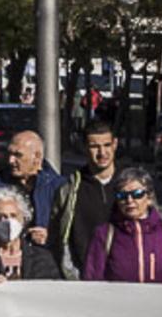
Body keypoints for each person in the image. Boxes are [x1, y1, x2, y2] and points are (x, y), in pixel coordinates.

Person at [80, 166, 162, 284]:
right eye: (122, 196)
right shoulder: (104, 234)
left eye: (137, 194)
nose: (129, 200)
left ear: (149, 198)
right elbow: (91, 281)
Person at [49, 119, 120, 279]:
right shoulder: (70, 188)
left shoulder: (130, 184)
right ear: (84, 147)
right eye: (95, 146)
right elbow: (55, 231)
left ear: (115, 144)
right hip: (82, 277)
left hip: (123, 277)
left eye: (107, 145)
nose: (102, 153)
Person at [0, 185, 61, 281]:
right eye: (2, 216)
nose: (9, 221)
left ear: (23, 219)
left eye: (13, 215)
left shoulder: (42, 257)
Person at [3, 131, 59, 245]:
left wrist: (51, 236)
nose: (11, 160)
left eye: (18, 155)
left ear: (37, 156)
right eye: (9, 154)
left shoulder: (59, 187)